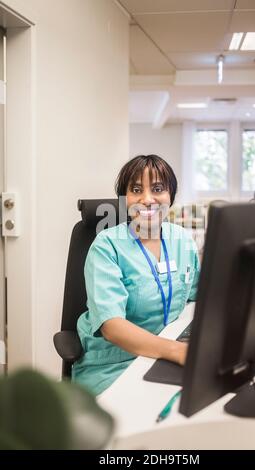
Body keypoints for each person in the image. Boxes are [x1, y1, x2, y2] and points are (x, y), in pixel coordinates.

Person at [72, 155, 200, 395]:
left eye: (158, 188)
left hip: (168, 354)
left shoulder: (183, 240)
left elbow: (196, 299)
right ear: (125, 198)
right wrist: (175, 351)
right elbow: (112, 326)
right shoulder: (107, 245)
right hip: (113, 362)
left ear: (170, 195)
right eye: (136, 189)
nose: (147, 199)